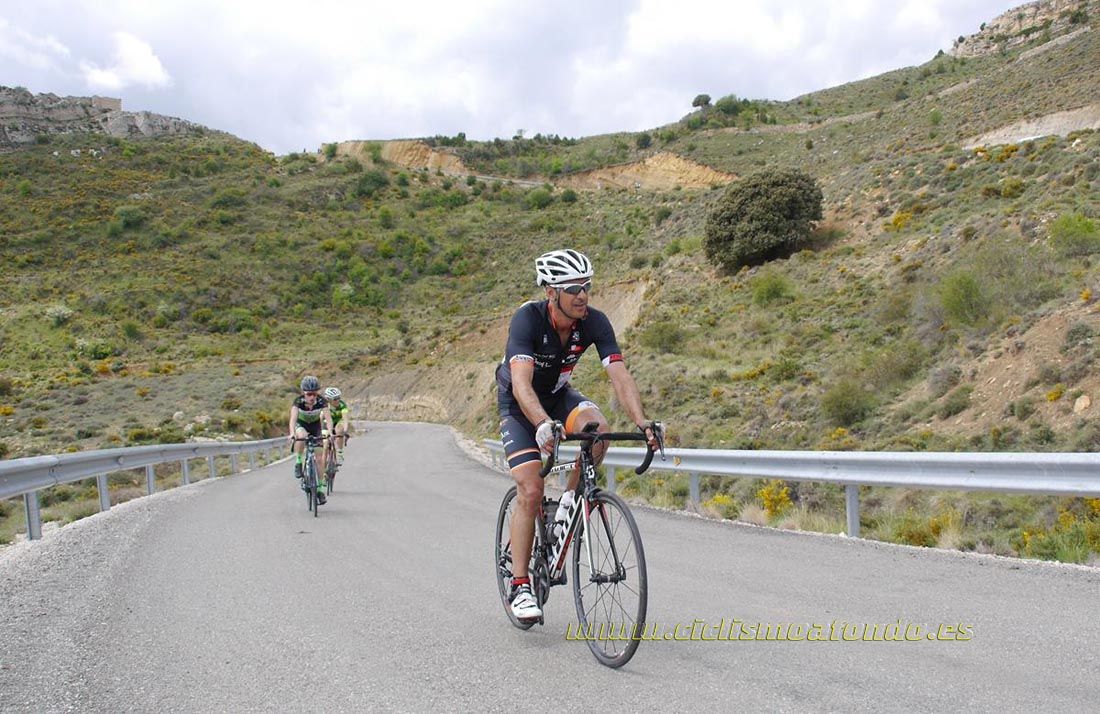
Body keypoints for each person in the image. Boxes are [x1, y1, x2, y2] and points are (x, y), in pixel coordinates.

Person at [496, 248, 660, 621]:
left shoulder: (594, 322)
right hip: (520, 405)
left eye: (587, 286)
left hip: (558, 396)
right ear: (552, 292)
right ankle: (520, 585)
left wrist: (642, 422)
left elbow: (619, 375)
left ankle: (570, 502)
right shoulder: (528, 320)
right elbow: (521, 384)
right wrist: (539, 424)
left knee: (598, 431)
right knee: (531, 489)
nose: (583, 295)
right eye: (573, 288)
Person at [288, 375, 334, 504]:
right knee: (301, 436)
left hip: (315, 427)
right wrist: (292, 433)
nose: (312, 397)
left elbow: (328, 419)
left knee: (320, 459)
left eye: (314, 394)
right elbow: (292, 420)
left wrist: (330, 432)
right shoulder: (298, 402)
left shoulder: (322, 401)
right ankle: (298, 461)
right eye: (309, 394)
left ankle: (319, 490)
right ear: (304, 393)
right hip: (301, 425)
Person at [324, 386, 349, 464]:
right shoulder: (324, 406)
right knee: (325, 441)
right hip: (327, 422)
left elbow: (345, 419)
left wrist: (345, 431)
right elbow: (320, 418)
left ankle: (340, 453)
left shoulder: (342, 405)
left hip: (338, 421)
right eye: (335, 399)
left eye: (339, 397)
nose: (338, 400)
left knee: (339, 430)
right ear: (328, 399)